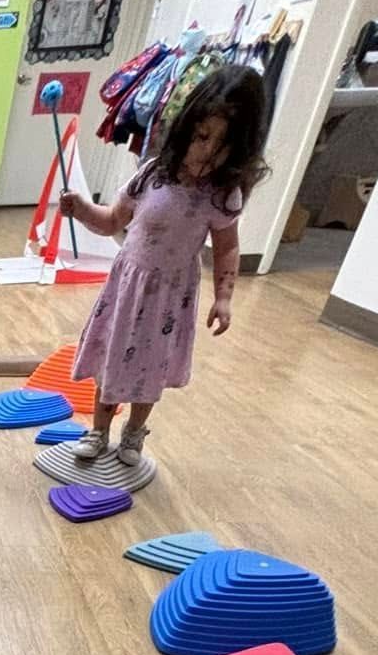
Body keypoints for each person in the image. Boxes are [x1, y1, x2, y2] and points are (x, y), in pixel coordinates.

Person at [64, 66, 270, 466]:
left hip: (170, 298)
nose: (206, 152)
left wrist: (224, 298)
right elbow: (110, 222)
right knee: (110, 358)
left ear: (239, 151)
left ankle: (134, 434)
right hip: (127, 289)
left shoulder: (222, 196)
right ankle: (98, 430)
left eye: (222, 146)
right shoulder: (152, 175)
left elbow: (227, 248)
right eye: (202, 137)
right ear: (186, 127)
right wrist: (82, 210)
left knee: (150, 367)